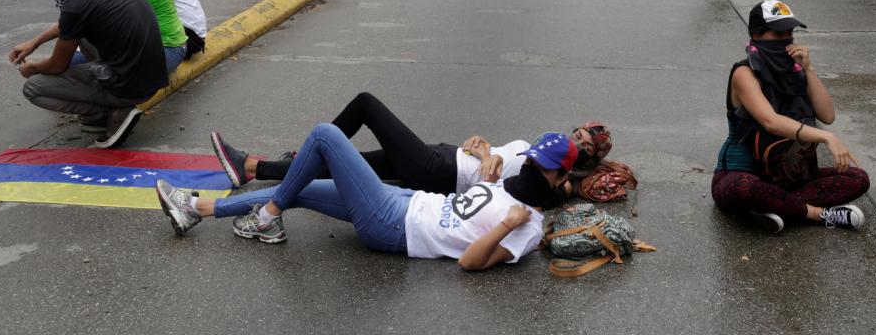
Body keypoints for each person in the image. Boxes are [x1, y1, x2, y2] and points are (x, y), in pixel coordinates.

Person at [156, 128, 576, 270]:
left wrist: (509, 224)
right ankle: (195, 210)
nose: (533, 170)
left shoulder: (528, 225)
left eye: (544, 169)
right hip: (405, 200)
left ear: (560, 179)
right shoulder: (513, 184)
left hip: (393, 225)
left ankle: (267, 214)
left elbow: (470, 263)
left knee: (325, 135)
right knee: (298, 190)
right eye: (533, 163)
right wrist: (486, 154)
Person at [208, 91, 608, 203]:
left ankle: (298, 154)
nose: (576, 141)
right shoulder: (544, 156)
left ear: (583, 161)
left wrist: (487, 154)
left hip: (435, 168)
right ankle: (252, 169)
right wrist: (482, 144)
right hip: (439, 160)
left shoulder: (551, 180)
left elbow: (495, 167)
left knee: (365, 104)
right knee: (348, 164)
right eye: (578, 134)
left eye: (584, 147)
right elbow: (495, 157)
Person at [711, 1, 870, 234]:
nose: (787, 40)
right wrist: (827, 138)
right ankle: (818, 214)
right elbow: (770, 121)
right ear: (756, 34)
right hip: (744, 174)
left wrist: (808, 69)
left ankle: (767, 209)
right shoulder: (744, 73)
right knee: (742, 189)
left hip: (792, 176)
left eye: (790, 33)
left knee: (858, 178)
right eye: (778, 33)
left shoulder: (795, 71)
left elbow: (827, 115)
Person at [8, 0, 168, 148]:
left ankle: (114, 110)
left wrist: (33, 68)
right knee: (81, 34)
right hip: (154, 73)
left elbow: (57, 65)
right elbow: (72, 23)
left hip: (130, 86)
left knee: (34, 88)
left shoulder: (78, 3)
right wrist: (35, 42)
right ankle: (113, 98)